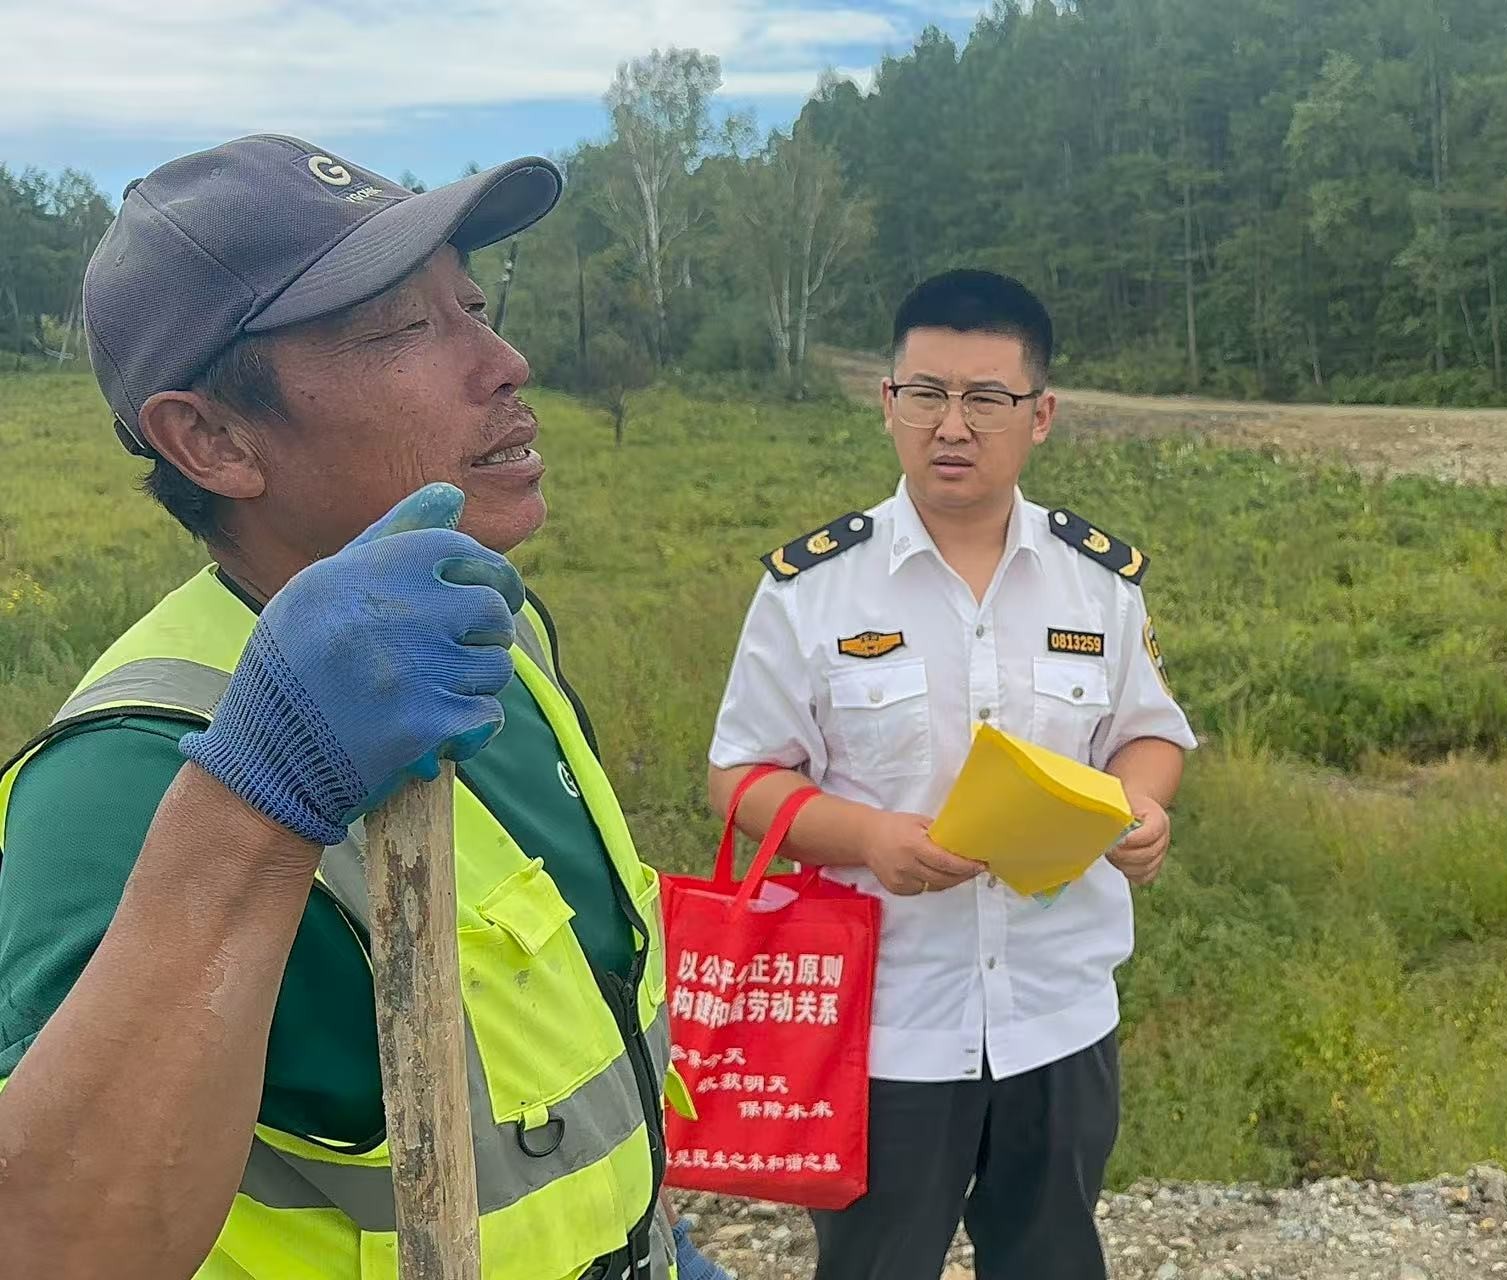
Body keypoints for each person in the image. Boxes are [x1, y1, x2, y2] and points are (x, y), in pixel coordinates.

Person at [0, 136, 727, 1280]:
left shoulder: (492, 631)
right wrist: (257, 804)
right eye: (401, 327)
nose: (505, 362)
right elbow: (51, 1245)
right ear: (213, 438)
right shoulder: (127, 768)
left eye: (472, 305)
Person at [707, 268, 1197, 1280]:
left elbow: (1150, 735)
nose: (952, 426)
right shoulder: (812, 588)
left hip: (1058, 1016)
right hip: (886, 1028)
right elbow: (742, 776)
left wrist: (1141, 807)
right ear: (887, 402)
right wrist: (867, 838)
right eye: (925, 394)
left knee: (1053, 1260)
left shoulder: (1096, 583)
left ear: (1040, 415)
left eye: (986, 398)